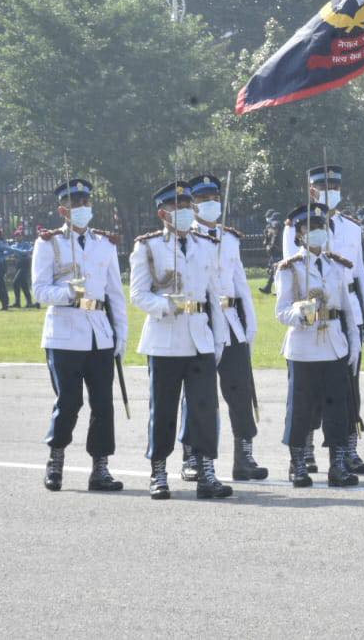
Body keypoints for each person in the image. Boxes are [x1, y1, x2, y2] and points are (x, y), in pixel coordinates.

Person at [129, 181, 232, 500]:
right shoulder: (148, 247)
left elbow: (214, 295)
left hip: (200, 337)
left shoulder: (206, 245)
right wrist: (164, 305)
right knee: (163, 409)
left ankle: (206, 471)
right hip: (165, 338)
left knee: (204, 408)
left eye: (188, 205)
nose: (185, 211)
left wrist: (219, 338)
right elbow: (138, 294)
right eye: (178, 207)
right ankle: (158, 472)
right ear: (163, 213)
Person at [32, 178, 129, 493]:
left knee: (103, 404)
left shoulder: (104, 244)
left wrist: (120, 335)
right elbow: (39, 291)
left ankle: (100, 468)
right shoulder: (49, 243)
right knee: (69, 401)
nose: (84, 208)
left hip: (99, 333)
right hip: (64, 332)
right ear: (63, 210)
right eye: (76, 204)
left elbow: (115, 294)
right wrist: (67, 293)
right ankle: (56, 459)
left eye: (87, 202)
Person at [281, 165, 364, 475]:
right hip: (307, 326)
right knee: (305, 398)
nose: (331, 191)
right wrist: (301, 311)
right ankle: (305, 452)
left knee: (345, 393)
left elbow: (359, 277)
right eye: (325, 187)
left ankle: (346, 452)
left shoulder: (351, 229)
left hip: (342, 320)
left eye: (335, 186)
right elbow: (293, 277)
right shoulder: (293, 232)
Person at [180, 173, 266, 482]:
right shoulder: (186, 238)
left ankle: (244, 457)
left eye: (214, 198)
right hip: (201, 323)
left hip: (231, 323)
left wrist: (250, 324)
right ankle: (192, 457)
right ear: (192, 205)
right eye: (203, 199)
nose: (211, 204)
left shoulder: (230, 238)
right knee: (198, 397)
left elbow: (240, 283)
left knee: (241, 392)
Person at [275, 202, 362, 488]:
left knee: (338, 408)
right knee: (300, 408)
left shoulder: (337, 265)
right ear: (300, 234)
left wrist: (354, 343)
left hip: (334, 344)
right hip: (304, 346)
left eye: (321, 227)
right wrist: (300, 313)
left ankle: (337, 464)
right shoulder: (290, 268)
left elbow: (347, 309)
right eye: (310, 228)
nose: (317, 232)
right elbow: (281, 311)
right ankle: (298, 463)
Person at [257, 209, 282, 295]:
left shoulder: (274, 225)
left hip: (277, 250)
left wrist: (270, 245)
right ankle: (270, 288)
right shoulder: (277, 225)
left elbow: (272, 238)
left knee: (276, 269)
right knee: (274, 269)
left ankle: (271, 288)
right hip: (278, 250)